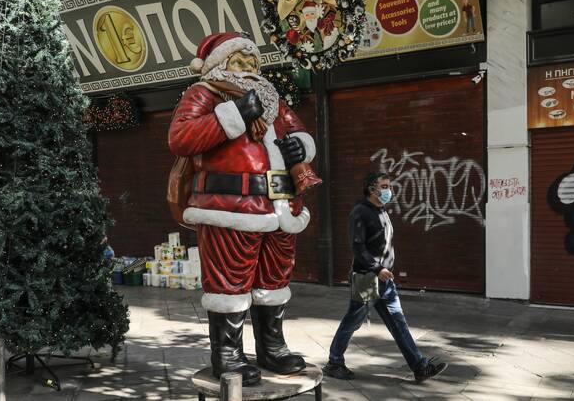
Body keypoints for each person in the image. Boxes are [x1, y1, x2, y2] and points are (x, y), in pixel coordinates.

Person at [168, 32, 318, 385]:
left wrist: (300, 147)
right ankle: (228, 355)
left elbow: (297, 131)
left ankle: (272, 347)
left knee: (274, 279)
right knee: (228, 283)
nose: (249, 67)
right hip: (230, 206)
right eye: (239, 61)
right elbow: (181, 138)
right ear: (220, 64)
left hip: (281, 206)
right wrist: (234, 113)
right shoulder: (203, 93)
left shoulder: (273, 100)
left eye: (253, 62)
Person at [323, 172, 449, 382]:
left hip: (385, 282)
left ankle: (419, 367)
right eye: (384, 186)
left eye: (388, 186)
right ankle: (334, 362)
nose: (388, 190)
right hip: (367, 279)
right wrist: (376, 268)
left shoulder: (381, 210)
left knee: (398, 323)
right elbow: (357, 247)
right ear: (372, 189)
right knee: (352, 322)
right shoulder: (360, 212)